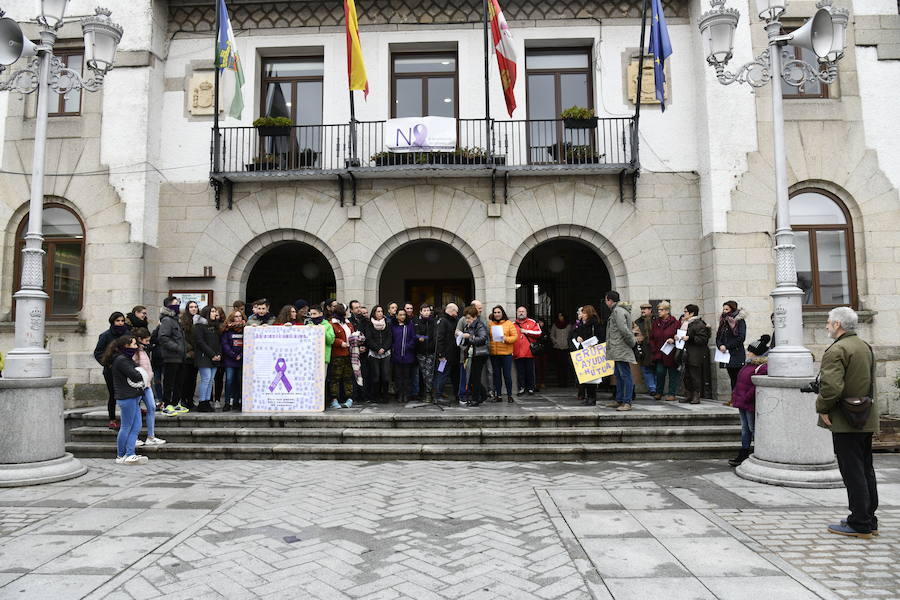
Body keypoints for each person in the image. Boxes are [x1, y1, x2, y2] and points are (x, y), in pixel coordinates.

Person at [816, 307, 880, 539]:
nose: (826, 326)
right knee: (865, 468)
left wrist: (822, 407)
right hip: (865, 415)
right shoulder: (864, 346)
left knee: (852, 470)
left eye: (828, 322)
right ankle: (869, 518)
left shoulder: (838, 349)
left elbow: (832, 387)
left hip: (846, 418)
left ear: (837, 325)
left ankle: (859, 522)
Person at [101, 334, 149, 465]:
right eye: (133, 344)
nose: (136, 346)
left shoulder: (126, 359)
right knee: (127, 426)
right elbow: (135, 375)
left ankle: (127, 453)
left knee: (136, 426)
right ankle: (124, 454)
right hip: (127, 397)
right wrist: (141, 373)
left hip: (132, 396)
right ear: (126, 346)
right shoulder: (122, 360)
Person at [728, 335, 770, 467]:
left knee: (752, 427)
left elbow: (755, 386)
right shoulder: (748, 365)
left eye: (750, 351)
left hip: (749, 403)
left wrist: (746, 397)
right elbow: (740, 382)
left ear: (756, 353)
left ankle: (760, 451)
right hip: (742, 402)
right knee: (745, 428)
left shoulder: (761, 367)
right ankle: (744, 451)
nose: (747, 353)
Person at [93, 311, 130, 430]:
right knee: (113, 394)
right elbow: (98, 352)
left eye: (122, 321)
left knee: (129, 393)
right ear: (113, 322)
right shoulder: (106, 335)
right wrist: (107, 364)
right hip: (111, 370)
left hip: (126, 369)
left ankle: (128, 417)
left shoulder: (127, 333)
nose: (120, 323)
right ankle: (112, 418)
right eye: (117, 321)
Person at [131, 328, 166, 447]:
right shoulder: (135, 352)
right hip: (138, 386)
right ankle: (133, 437)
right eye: (146, 340)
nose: (148, 343)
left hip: (147, 385)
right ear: (140, 340)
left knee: (151, 407)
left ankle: (151, 436)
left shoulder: (143, 350)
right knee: (135, 410)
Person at [604, 291, 637, 411]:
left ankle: (627, 402)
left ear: (610, 300)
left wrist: (632, 342)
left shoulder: (618, 311)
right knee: (619, 375)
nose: (605, 302)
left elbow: (623, 329)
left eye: (606, 300)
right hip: (617, 348)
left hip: (620, 348)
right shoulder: (617, 310)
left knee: (625, 375)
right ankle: (619, 399)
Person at [157, 297, 186, 415]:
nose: (178, 305)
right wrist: (177, 347)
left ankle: (175, 403)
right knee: (169, 382)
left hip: (180, 357)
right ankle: (167, 404)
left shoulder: (176, 320)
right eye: (175, 304)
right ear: (169, 306)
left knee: (179, 381)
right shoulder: (167, 320)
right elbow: (163, 337)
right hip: (171, 356)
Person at [677, 304, 711, 404]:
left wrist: (690, 338)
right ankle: (689, 394)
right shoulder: (686, 323)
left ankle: (696, 395)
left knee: (694, 375)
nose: (684, 314)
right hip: (686, 353)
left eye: (685, 312)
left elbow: (703, 339)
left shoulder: (699, 324)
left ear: (691, 313)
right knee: (686, 376)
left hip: (695, 353)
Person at [573, 305, 605, 406]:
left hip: (592, 351)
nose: (582, 315)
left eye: (584, 313)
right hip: (584, 350)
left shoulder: (595, 323)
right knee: (586, 376)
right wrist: (577, 337)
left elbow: (601, 336)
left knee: (592, 377)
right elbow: (575, 332)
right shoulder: (582, 323)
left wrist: (595, 342)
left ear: (589, 313)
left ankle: (592, 397)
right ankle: (588, 396)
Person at [193, 305, 222, 413]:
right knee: (206, 379)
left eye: (215, 311)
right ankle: (202, 402)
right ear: (207, 313)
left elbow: (219, 342)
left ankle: (207, 401)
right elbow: (200, 342)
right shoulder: (199, 326)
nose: (215, 313)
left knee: (210, 380)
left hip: (215, 357)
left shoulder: (215, 326)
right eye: (213, 311)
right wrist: (212, 354)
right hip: (204, 357)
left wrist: (219, 354)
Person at [650, 301, 681, 401]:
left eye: (661, 310)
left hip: (672, 353)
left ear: (667, 311)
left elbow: (679, 336)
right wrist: (654, 349)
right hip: (660, 353)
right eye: (658, 310)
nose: (659, 311)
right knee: (660, 372)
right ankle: (659, 392)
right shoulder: (656, 323)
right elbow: (652, 338)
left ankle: (672, 393)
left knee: (673, 374)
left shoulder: (676, 323)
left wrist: (673, 340)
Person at [487, 305, 518, 403]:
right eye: (495, 312)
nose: (496, 314)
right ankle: (498, 395)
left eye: (498, 312)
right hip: (494, 354)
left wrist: (506, 338)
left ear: (502, 313)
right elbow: (488, 337)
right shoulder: (490, 324)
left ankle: (509, 395)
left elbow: (515, 337)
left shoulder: (509, 324)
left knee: (507, 375)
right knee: (496, 376)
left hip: (506, 354)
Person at [716, 300, 748, 392]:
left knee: (738, 377)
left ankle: (737, 399)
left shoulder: (739, 321)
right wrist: (720, 345)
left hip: (736, 352)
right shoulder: (723, 321)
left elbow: (741, 337)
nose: (724, 311)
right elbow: (718, 336)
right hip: (726, 354)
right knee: (732, 376)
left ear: (732, 309)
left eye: (727, 309)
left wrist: (727, 346)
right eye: (723, 309)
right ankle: (733, 398)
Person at [363, 305, 392, 403]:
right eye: (378, 311)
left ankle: (385, 396)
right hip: (374, 353)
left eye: (381, 311)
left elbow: (390, 338)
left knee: (385, 377)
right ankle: (376, 396)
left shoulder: (387, 323)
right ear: (374, 313)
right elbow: (369, 339)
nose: (380, 313)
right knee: (375, 377)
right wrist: (377, 348)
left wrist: (384, 348)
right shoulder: (369, 324)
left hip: (386, 353)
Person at [460, 305, 489, 406]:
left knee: (475, 377)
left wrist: (470, 336)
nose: (467, 320)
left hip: (480, 354)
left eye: (469, 318)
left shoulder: (479, 325)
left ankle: (476, 399)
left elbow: (482, 338)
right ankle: (483, 395)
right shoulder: (469, 325)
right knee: (473, 377)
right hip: (473, 354)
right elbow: (468, 341)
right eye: (466, 318)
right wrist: (462, 339)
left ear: (474, 317)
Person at [329, 303, 355, 408]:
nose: (348, 312)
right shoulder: (332, 324)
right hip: (337, 355)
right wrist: (340, 343)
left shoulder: (348, 324)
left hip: (349, 354)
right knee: (335, 377)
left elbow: (353, 334)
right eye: (346, 310)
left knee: (348, 377)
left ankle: (349, 398)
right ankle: (334, 399)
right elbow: (331, 338)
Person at [307, 305, 335, 402]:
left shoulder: (327, 325)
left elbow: (331, 340)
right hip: (310, 358)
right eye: (311, 314)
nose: (313, 316)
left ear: (321, 314)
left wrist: (322, 330)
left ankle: (320, 402)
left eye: (315, 314)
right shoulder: (308, 326)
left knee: (321, 381)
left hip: (323, 358)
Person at [433, 303, 460, 405]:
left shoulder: (454, 321)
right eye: (456, 311)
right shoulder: (443, 321)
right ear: (451, 310)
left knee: (455, 376)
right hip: (444, 357)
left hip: (454, 356)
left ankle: (457, 395)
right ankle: (438, 396)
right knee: (442, 375)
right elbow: (439, 339)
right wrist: (441, 355)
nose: (457, 314)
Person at [512, 306, 541, 396]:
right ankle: (521, 388)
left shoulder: (532, 322)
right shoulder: (513, 324)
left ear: (526, 313)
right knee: (520, 372)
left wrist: (526, 331)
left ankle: (531, 388)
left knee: (530, 371)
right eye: (519, 311)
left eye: (523, 311)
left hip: (529, 352)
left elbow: (538, 333)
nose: (521, 313)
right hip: (517, 352)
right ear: (517, 313)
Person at [220, 309, 245, 412]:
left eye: (240, 316)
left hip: (241, 360)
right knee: (229, 381)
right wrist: (234, 355)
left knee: (239, 381)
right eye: (236, 316)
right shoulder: (227, 330)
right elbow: (225, 345)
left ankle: (236, 402)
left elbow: (249, 343)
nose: (238, 318)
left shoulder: (246, 329)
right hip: (230, 360)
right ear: (232, 318)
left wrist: (242, 355)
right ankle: (227, 402)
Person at [391, 308, 416, 404]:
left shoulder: (409, 326)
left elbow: (413, 338)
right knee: (398, 377)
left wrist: (407, 346)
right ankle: (399, 394)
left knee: (406, 377)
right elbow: (391, 339)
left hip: (407, 355)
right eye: (400, 315)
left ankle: (406, 394)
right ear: (397, 316)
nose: (402, 316)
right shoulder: (393, 326)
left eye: (404, 315)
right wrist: (394, 347)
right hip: (397, 355)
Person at [179, 300, 200, 410]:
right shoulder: (183, 321)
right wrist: (190, 350)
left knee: (193, 379)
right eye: (191, 307)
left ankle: (190, 400)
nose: (194, 309)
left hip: (196, 355)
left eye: (195, 307)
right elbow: (181, 338)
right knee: (184, 379)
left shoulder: (199, 321)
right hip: (186, 355)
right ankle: (183, 400)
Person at [413, 303, 437, 402]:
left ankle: (429, 393)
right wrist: (420, 338)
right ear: (421, 312)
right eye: (425, 310)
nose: (427, 312)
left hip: (431, 351)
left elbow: (434, 336)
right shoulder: (417, 322)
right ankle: (426, 392)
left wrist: (426, 338)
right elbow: (416, 335)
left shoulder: (433, 322)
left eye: (428, 310)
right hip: (421, 352)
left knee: (429, 373)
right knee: (424, 373)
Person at [633, 303, 656, 396]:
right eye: (642, 308)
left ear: (650, 310)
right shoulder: (637, 322)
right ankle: (652, 389)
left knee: (656, 370)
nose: (643, 310)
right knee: (646, 369)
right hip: (643, 349)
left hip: (654, 348)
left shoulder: (656, 321)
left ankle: (657, 388)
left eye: (645, 309)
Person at [549, 312, 573, 388]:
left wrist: (568, 342)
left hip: (566, 348)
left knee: (566, 366)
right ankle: (560, 382)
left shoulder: (569, 326)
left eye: (561, 316)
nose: (560, 317)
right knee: (559, 366)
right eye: (559, 316)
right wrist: (555, 342)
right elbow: (552, 335)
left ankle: (566, 382)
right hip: (557, 348)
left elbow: (571, 335)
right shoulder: (555, 325)